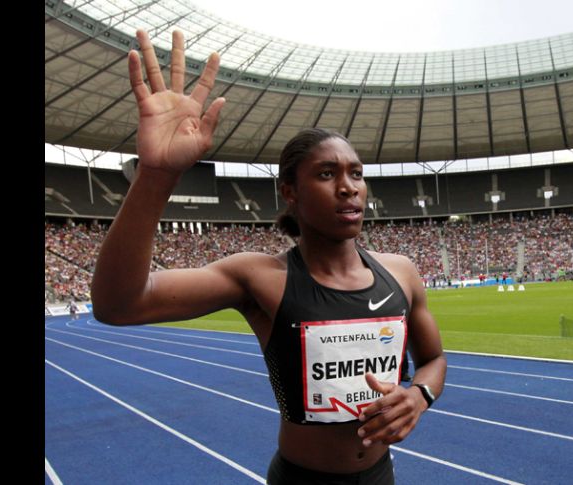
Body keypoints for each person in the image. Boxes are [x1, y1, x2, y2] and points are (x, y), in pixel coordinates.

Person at [91, 29, 446, 484]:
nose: (348, 186)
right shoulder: (260, 276)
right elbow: (118, 305)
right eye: (326, 173)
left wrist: (419, 395)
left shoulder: (402, 272)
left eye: (356, 173)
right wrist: (157, 174)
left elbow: (434, 360)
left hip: (380, 476)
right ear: (290, 193)